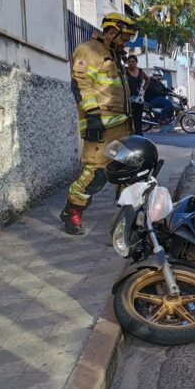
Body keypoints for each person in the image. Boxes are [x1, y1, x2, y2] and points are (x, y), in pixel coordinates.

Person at [60, 12, 139, 235]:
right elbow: (82, 85)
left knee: (127, 170)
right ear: (112, 32)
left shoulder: (113, 54)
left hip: (122, 126)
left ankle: (127, 217)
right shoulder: (89, 51)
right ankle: (72, 210)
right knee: (95, 174)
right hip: (100, 127)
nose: (125, 43)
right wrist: (92, 117)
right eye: (124, 38)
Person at [125, 55, 149, 136]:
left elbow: (147, 79)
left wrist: (144, 89)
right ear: (127, 63)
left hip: (139, 100)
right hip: (128, 100)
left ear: (136, 63)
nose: (131, 63)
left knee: (138, 119)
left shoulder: (141, 71)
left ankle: (139, 136)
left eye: (133, 61)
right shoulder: (125, 71)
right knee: (130, 119)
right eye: (129, 61)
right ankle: (131, 135)